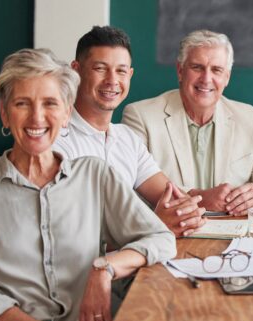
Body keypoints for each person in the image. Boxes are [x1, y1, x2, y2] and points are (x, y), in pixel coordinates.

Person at [0, 48, 176, 321]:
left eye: (50, 103)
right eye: (22, 104)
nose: (37, 118)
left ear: (66, 110)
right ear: (4, 113)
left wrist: (104, 268)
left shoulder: (95, 175)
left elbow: (161, 238)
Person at [53, 26, 205, 237]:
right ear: (76, 70)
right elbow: (68, 230)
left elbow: (172, 197)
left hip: (139, 259)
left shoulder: (126, 137)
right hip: (83, 267)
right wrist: (153, 225)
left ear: (130, 75)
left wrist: (190, 209)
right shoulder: (55, 140)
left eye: (121, 71)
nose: (112, 80)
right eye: (100, 68)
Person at [122, 29, 253, 216]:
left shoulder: (249, 117)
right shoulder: (140, 116)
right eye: (197, 67)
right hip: (171, 234)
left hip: (234, 233)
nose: (206, 79)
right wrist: (201, 199)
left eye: (216, 70)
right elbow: (129, 187)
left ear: (226, 77)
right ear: (180, 71)